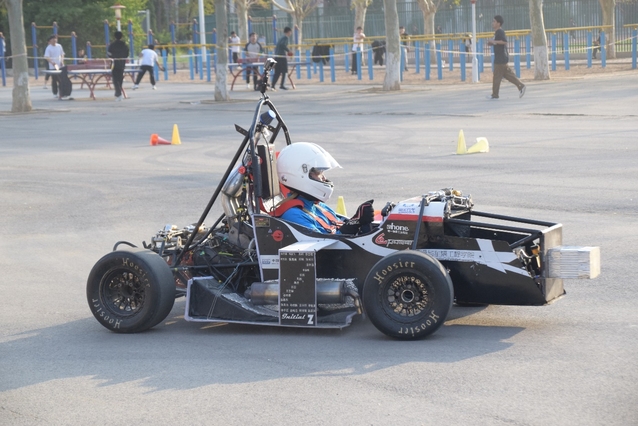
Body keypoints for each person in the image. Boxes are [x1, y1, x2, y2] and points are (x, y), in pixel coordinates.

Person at [276, 142, 374, 235]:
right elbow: (324, 242)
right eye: (319, 173)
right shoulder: (293, 215)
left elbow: (340, 227)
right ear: (300, 175)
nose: (324, 178)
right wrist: (355, 223)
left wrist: (359, 222)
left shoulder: (319, 206)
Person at [487, 15, 525, 100]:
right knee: (508, 75)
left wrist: (493, 41)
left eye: (494, 21)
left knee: (497, 76)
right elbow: (498, 43)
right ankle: (521, 86)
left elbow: (504, 41)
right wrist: (492, 43)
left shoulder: (500, 32)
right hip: (501, 57)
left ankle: (495, 95)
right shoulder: (497, 32)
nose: (492, 23)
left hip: (500, 58)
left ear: (498, 23)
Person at [107, 31, 129, 101]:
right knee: (120, 78)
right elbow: (127, 53)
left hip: (114, 63)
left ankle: (118, 93)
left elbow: (109, 53)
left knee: (115, 79)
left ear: (114, 36)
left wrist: (112, 56)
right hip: (122, 63)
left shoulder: (112, 45)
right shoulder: (124, 45)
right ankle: (119, 93)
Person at [271, 26, 292, 91]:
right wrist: (288, 50)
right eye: (290, 32)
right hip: (282, 57)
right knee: (285, 71)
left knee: (277, 72)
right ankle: (282, 85)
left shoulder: (281, 38)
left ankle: (273, 85)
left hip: (277, 56)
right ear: (289, 32)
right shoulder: (285, 38)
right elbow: (283, 45)